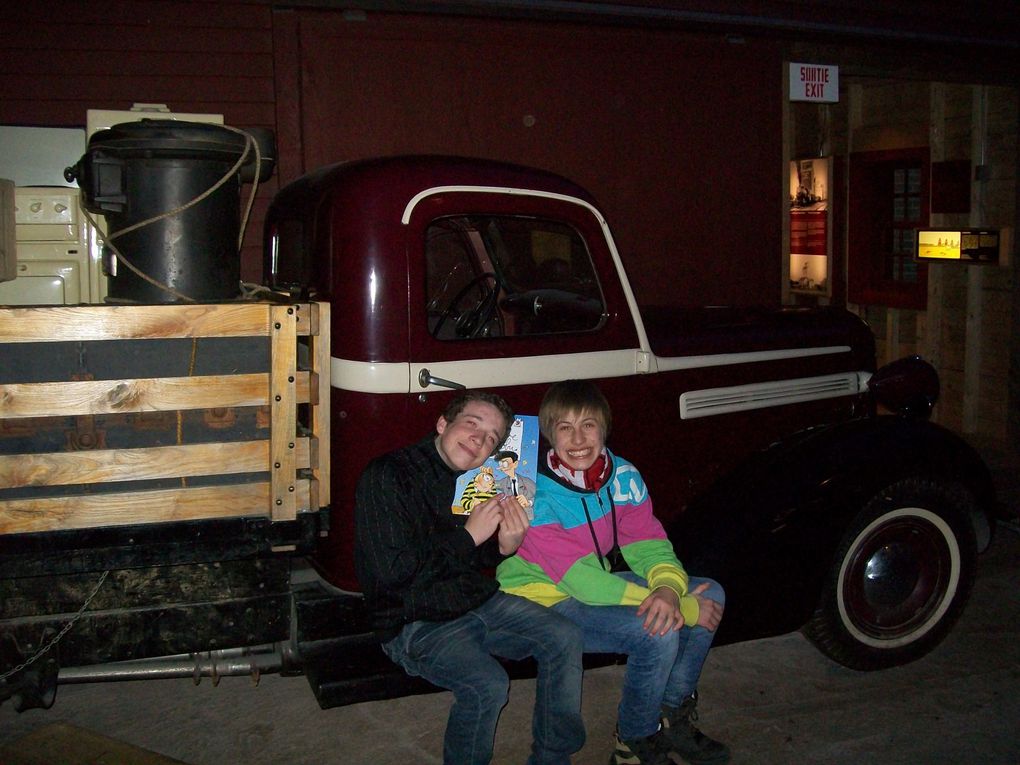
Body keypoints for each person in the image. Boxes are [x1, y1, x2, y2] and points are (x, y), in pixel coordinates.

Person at [497, 380, 729, 765]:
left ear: (604, 428)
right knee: (657, 631)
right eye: (565, 427)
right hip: (540, 601)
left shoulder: (621, 475)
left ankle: (670, 715)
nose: (578, 438)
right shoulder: (528, 491)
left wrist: (670, 589)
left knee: (713, 593)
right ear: (549, 436)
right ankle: (634, 744)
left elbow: (647, 545)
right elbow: (581, 581)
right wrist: (681, 607)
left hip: (589, 586)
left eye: (588, 424)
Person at [354, 390, 586, 765]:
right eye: (472, 424)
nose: (479, 439)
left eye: (492, 437)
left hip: (473, 600)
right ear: (443, 424)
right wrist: (468, 536)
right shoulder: (388, 475)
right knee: (487, 686)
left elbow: (470, 555)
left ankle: (553, 756)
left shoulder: (475, 481)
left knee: (564, 636)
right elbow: (392, 574)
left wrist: (502, 547)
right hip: (413, 620)